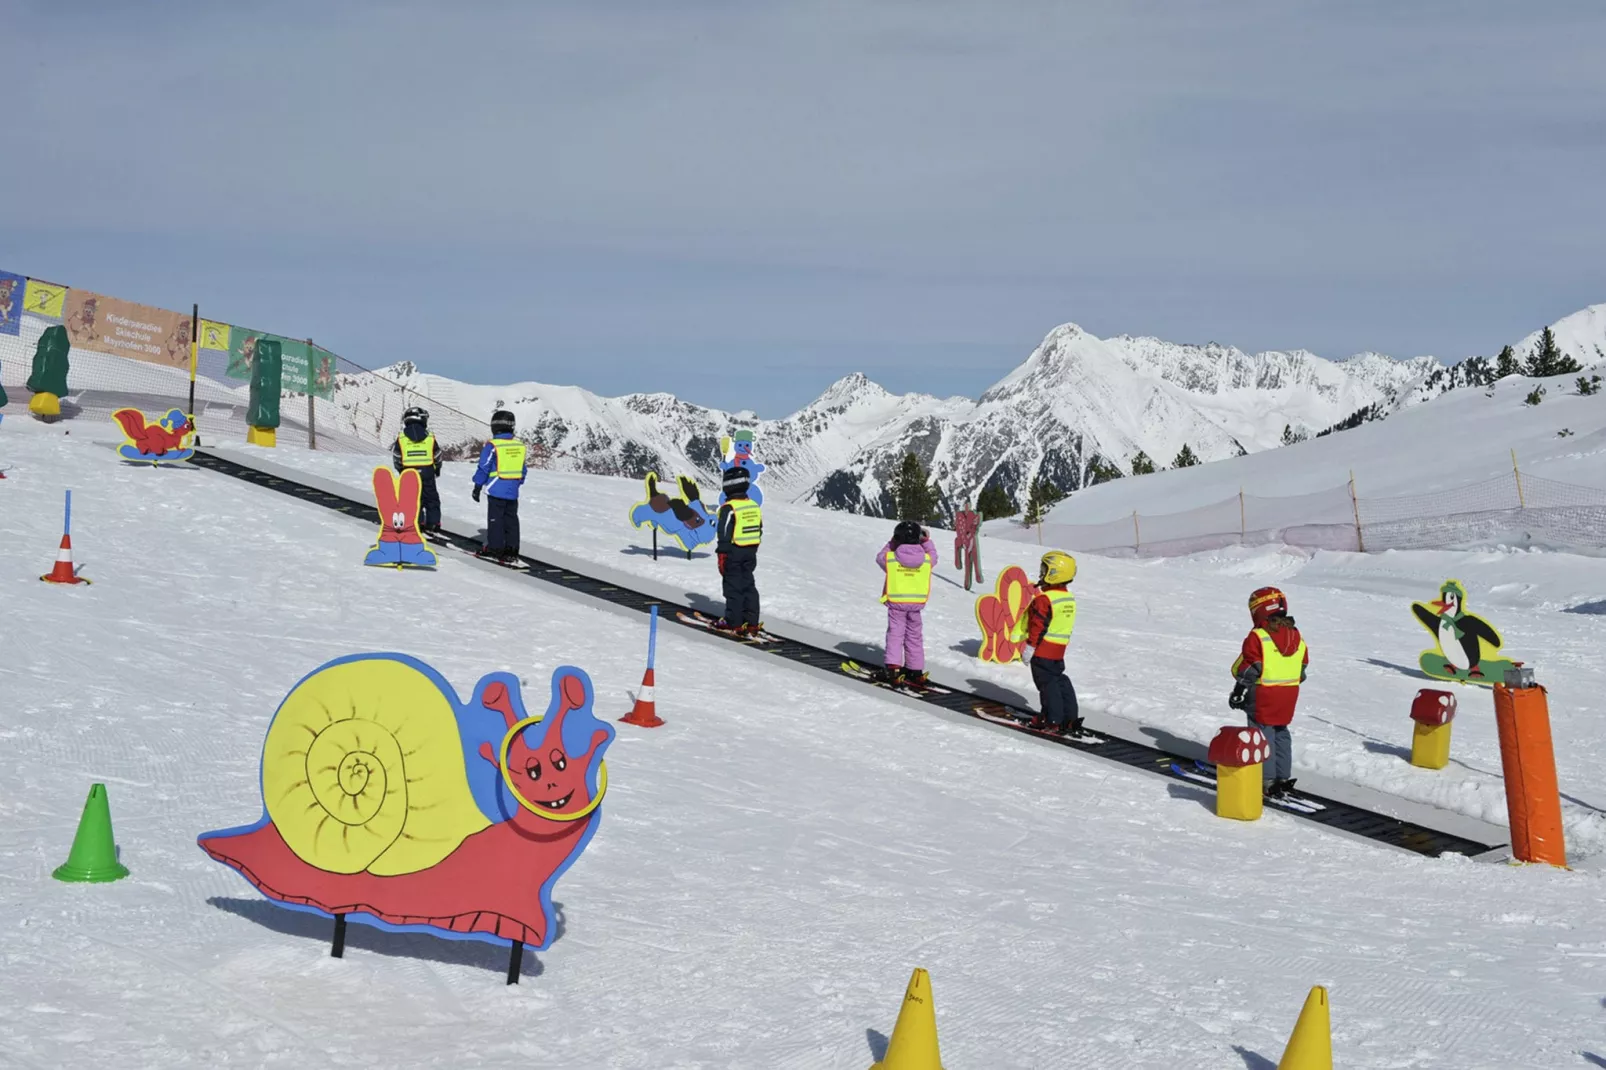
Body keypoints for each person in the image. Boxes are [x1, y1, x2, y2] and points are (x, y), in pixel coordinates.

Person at [1229, 586, 1308, 798]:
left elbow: (1249, 666)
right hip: (1289, 694)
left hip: (1264, 693)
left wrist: (1239, 690)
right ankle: (1283, 777)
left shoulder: (1259, 635)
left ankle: (1266, 780)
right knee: (1281, 731)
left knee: (1262, 733)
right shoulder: (1296, 635)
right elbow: (1302, 667)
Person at [1022, 550, 1080, 735]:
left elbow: (1038, 626)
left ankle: (1051, 719)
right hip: (1058, 650)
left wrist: (1030, 648)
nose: (1040, 574)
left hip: (1042, 650)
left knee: (1047, 686)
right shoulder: (1067, 598)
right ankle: (1069, 718)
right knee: (1059, 680)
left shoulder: (1044, 599)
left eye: (1044, 570)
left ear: (1054, 574)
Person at [876, 520, 938, 687]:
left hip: (897, 604)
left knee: (895, 636)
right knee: (914, 637)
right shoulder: (926, 560)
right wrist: (926, 542)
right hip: (916, 605)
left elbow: (879, 557)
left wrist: (892, 542)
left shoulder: (891, 559)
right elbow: (934, 555)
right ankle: (915, 670)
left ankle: (893, 669)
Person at [471, 409, 527, 561]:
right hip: (512, 490)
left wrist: (477, 486)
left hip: (496, 488)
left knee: (496, 520)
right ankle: (512, 549)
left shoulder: (493, 445)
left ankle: (495, 548)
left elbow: (484, 467)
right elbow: (522, 469)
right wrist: (517, 483)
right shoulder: (519, 446)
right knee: (511, 520)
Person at [714, 465, 762, 634]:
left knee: (733, 587)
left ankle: (732, 621)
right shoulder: (753, 506)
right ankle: (751, 621)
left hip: (733, 552)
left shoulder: (730, 507)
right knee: (748, 585)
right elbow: (759, 528)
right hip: (750, 551)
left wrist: (722, 554)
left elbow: (724, 531)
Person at [392, 405, 443, 533]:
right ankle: (433, 522)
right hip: (427, 471)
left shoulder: (401, 438)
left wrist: (401, 470)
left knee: (413, 498)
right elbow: (437, 454)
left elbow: (397, 456)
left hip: (408, 472)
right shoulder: (430, 436)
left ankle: (416, 521)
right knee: (431, 498)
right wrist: (437, 468)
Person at [953, 499, 983, 590]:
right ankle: (969, 579)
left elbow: (975, 524)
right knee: (968, 561)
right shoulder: (961, 516)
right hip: (964, 540)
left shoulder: (972, 516)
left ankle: (977, 575)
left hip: (969, 540)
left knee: (973, 558)